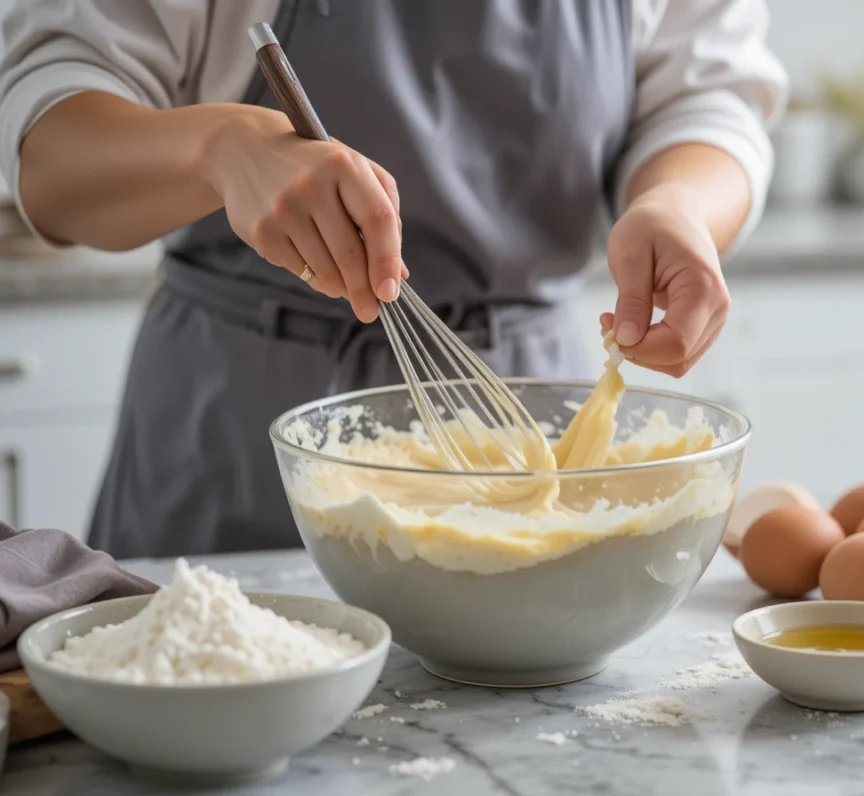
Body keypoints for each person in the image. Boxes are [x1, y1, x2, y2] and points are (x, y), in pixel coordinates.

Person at [0, 0, 787, 559]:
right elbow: (49, 150)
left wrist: (677, 203)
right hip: (235, 434)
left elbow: (707, 100)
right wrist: (222, 145)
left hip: (529, 407)